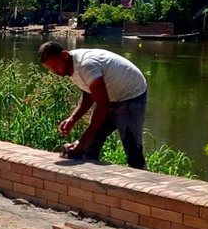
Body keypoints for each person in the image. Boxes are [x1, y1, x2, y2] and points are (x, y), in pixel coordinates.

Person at [37, 41, 148, 169]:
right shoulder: (69, 65)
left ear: (64, 55)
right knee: (90, 146)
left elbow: (103, 107)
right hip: (110, 96)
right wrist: (73, 119)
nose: (55, 72)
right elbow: (88, 94)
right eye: (51, 69)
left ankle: (142, 177)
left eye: (55, 66)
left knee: (132, 148)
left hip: (131, 95)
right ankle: (90, 178)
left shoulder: (86, 65)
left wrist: (82, 141)